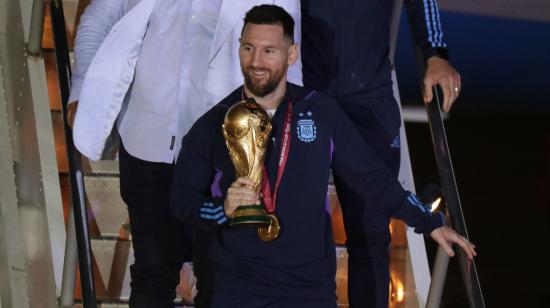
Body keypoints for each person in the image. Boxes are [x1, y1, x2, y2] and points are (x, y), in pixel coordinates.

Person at [171, 5, 476, 308]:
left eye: (268, 51)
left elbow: (374, 179)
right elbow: (183, 200)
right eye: (249, 49)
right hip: (238, 293)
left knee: (369, 234)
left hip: (308, 293)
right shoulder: (217, 121)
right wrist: (216, 217)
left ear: (291, 54)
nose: (256, 60)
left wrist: (428, 220)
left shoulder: (319, 114)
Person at [68, 0, 301, 307]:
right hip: (147, 139)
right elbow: (98, 16)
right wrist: (84, 88)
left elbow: (284, 54)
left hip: (224, 153)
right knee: (152, 274)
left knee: (219, 281)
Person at [300, 1, 462, 306]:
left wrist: (436, 54)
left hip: (369, 105)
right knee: (302, 231)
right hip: (309, 100)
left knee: (370, 236)